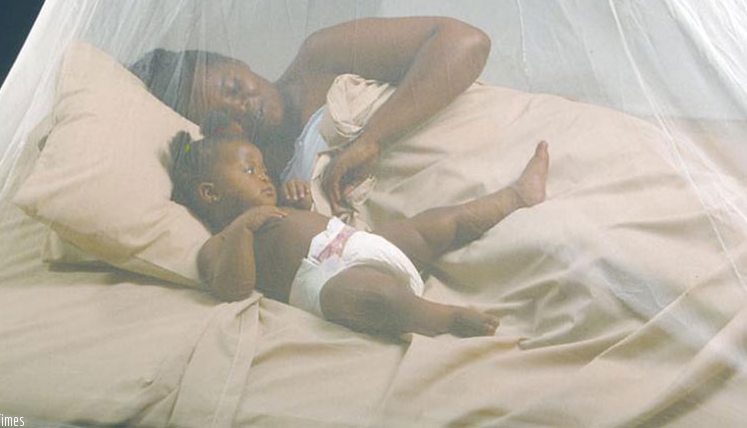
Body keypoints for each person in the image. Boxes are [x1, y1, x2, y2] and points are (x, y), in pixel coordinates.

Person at [169, 130, 550, 338]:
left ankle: (516, 196)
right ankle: (440, 318)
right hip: (324, 282)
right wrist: (243, 230)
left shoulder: (276, 208)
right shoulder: (219, 242)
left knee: (434, 224)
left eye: (264, 167)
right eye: (250, 171)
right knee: (377, 296)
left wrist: (301, 207)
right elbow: (233, 287)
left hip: (350, 240)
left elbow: (306, 229)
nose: (265, 175)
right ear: (210, 194)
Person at [132, 16, 491, 213]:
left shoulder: (319, 58)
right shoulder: (265, 188)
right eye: (224, 117)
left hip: (490, 140)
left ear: (238, 62)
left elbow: (465, 43)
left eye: (233, 88)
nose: (243, 108)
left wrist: (372, 141)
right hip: (462, 210)